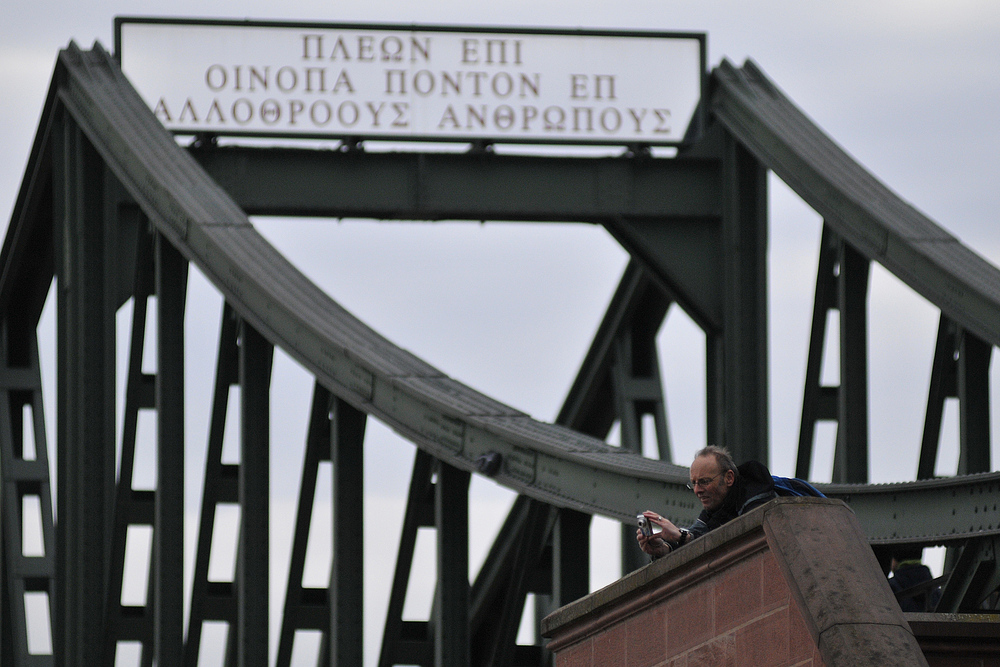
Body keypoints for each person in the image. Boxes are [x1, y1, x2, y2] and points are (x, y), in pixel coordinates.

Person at [636, 445, 777, 559]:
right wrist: (664, 548)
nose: (697, 490)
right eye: (693, 484)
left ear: (729, 478)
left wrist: (683, 537)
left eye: (704, 482)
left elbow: (749, 534)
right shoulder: (714, 510)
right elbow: (696, 535)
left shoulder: (754, 492)